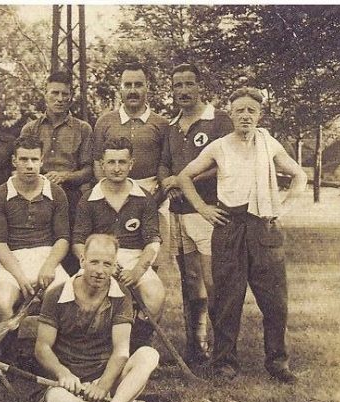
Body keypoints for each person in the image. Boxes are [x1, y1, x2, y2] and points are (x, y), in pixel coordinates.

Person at [176, 87, 307, 383]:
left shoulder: (268, 142)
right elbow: (185, 176)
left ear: (259, 115)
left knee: (275, 300)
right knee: (225, 299)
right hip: (229, 227)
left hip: (264, 228)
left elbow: (299, 175)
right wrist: (202, 208)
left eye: (251, 110)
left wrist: (283, 208)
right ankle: (225, 363)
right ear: (231, 114)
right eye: (240, 111)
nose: (245, 116)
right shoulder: (219, 146)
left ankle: (277, 362)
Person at [34, 234, 159, 402]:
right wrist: (63, 373)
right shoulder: (56, 294)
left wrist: (103, 386)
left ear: (115, 265)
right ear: (82, 260)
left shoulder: (121, 295)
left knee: (149, 355)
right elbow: (42, 347)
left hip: (106, 377)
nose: (100, 271)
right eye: (94, 262)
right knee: (56, 400)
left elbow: (121, 351)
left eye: (107, 264)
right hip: (69, 384)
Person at [158, 63, 234, 366]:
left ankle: (224, 352)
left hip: (209, 213)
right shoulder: (171, 125)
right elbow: (165, 164)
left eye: (189, 84)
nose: (184, 91)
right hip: (179, 213)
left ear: (200, 86)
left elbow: (226, 163)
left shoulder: (218, 121)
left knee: (214, 281)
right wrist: (168, 183)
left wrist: (186, 180)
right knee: (191, 282)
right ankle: (197, 346)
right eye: (178, 86)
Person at [73, 137, 165, 353]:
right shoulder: (88, 199)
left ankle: (134, 348)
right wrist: (98, 265)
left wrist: (138, 271)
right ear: (102, 164)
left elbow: (153, 240)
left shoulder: (144, 198)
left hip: (134, 258)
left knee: (155, 295)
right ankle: (92, 351)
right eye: (111, 162)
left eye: (122, 162)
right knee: (82, 296)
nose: (116, 168)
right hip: (98, 258)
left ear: (131, 164)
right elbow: (78, 241)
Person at [91, 62, 169, 264]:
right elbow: (97, 162)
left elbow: (166, 165)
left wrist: (154, 198)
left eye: (138, 84)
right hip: (112, 195)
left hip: (153, 195)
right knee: (112, 255)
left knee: (153, 258)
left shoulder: (161, 124)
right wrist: (109, 192)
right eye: (127, 85)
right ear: (120, 89)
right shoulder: (105, 122)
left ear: (147, 87)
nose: (133, 90)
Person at [0, 135, 71, 326]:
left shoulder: (56, 193)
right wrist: (20, 277)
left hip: (47, 259)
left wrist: (49, 266)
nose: (29, 165)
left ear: (42, 161)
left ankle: (58, 351)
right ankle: (8, 353)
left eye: (34, 159)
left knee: (66, 299)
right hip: (12, 262)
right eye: (24, 159)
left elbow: (63, 238)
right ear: (14, 161)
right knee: (1, 304)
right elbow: (0, 244)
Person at [20, 71, 93, 275]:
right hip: (37, 195)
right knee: (39, 248)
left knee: (70, 250)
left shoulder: (83, 129)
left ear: (71, 96)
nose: (60, 99)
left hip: (71, 198)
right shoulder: (30, 129)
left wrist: (65, 176)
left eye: (65, 94)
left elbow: (89, 171)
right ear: (45, 94)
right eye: (55, 93)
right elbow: (21, 165)